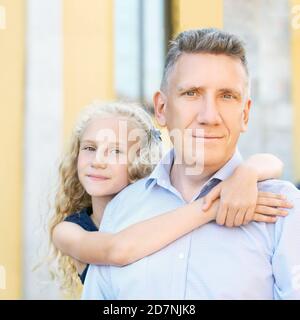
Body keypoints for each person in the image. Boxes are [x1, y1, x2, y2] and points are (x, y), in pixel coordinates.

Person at [82, 28, 300, 300]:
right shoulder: (121, 210)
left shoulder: (284, 211)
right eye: (192, 93)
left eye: (227, 96)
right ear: (161, 109)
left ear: (245, 114)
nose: (209, 116)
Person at [50, 101, 287, 296]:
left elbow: (273, 162)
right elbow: (117, 249)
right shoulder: (68, 230)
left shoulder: (163, 203)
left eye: (116, 151)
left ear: (140, 159)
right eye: (90, 148)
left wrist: (247, 174)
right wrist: (217, 204)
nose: (98, 161)